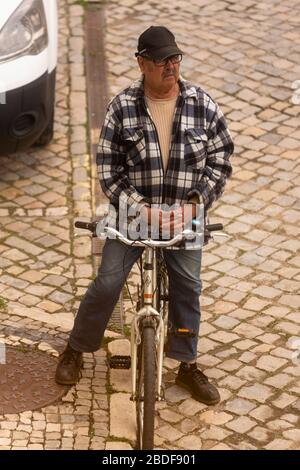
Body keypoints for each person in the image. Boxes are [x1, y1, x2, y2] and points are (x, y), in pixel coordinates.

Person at [55, 26, 234, 406]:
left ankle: (186, 363)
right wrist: (141, 208)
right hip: (132, 214)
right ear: (142, 63)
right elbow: (108, 169)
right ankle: (76, 347)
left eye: (175, 58)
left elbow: (220, 160)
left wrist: (194, 205)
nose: (170, 67)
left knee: (188, 286)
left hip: (185, 215)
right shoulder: (122, 107)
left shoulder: (203, 104)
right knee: (107, 283)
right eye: (161, 60)